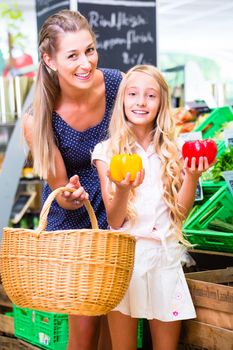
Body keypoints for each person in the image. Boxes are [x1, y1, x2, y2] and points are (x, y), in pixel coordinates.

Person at [92, 64, 216, 350]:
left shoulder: (174, 151)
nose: (140, 102)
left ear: (161, 103)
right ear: (122, 100)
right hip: (126, 261)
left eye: (150, 95)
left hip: (165, 258)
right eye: (132, 94)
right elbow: (115, 218)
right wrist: (122, 190)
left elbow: (179, 216)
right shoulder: (107, 152)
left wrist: (192, 176)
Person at [22, 9, 123, 350]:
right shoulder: (39, 118)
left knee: (120, 323)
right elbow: (60, 190)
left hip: (118, 207)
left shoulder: (117, 85)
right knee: (85, 328)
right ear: (49, 59)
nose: (86, 63)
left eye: (90, 50)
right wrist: (71, 195)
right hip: (76, 222)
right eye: (73, 55)